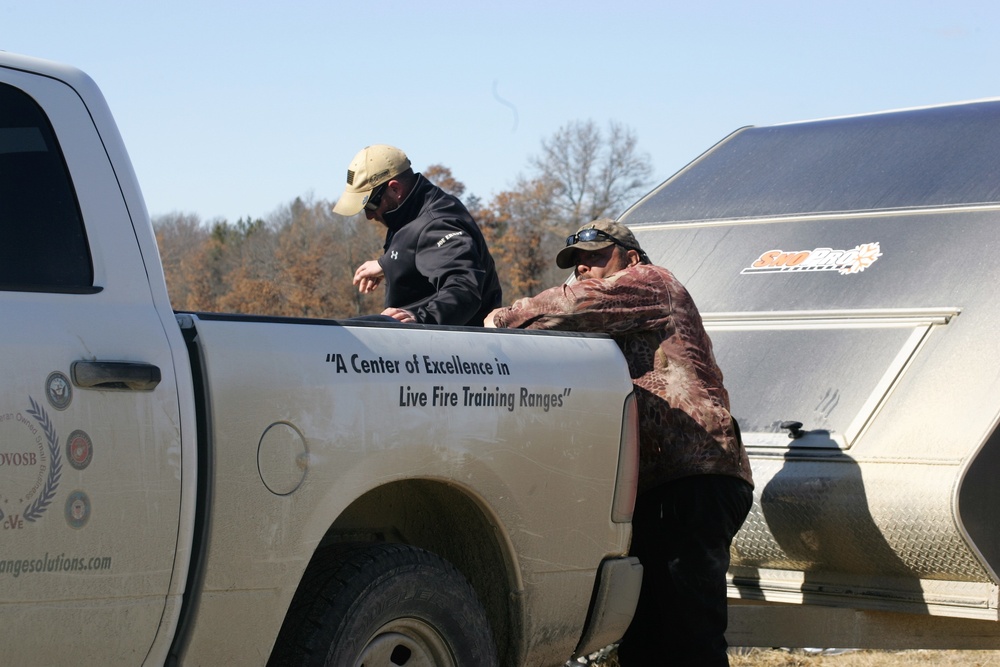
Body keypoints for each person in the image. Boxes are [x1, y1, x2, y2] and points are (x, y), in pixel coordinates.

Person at [485, 218, 754, 666]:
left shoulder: (650, 282)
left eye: (596, 257)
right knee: (647, 637)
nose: (586, 269)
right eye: (578, 264)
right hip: (661, 486)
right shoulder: (618, 317)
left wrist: (500, 320)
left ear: (630, 256)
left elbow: (572, 306)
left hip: (695, 476)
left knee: (689, 636)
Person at [332, 144, 501, 326]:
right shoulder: (413, 211)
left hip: (450, 350)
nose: (369, 216)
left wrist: (421, 319)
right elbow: (419, 246)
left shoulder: (437, 223)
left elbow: (464, 289)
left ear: (395, 189)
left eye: (370, 205)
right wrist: (387, 264)